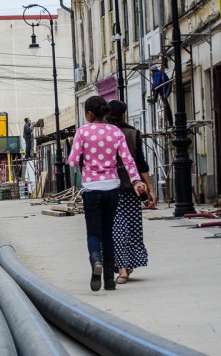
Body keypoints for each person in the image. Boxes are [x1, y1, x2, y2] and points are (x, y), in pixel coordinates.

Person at [67, 96, 146, 292]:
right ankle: (109, 281)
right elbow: (128, 160)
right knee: (108, 233)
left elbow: (73, 160)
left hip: (92, 188)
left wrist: (85, 159)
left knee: (94, 233)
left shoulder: (82, 132)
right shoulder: (115, 132)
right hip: (112, 187)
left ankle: (96, 262)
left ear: (89, 114)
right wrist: (136, 181)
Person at [106, 100, 156, 284]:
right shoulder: (133, 134)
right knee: (132, 227)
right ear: (124, 114)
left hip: (109, 186)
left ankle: (121, 269)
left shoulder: (105, 134)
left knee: (116, 228)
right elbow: (141, 163)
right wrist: (149, 188)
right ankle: (127, 265)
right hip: (132, 187)